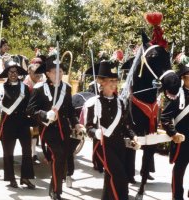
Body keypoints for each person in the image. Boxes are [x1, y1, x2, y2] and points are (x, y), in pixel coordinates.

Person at [26, 55, 84, 200]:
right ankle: (56, 192)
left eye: (61, 72)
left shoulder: (67, 88)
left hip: (64, 130)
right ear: (47, 73)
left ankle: (54, 188)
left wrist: (76, 123)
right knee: (58, 155)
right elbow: (30, 110)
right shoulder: (40, 88)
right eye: (55, 72)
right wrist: (45, 114)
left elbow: (70, 110)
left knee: (62, 158)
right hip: (48, 130)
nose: (59, 75)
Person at [86, 60, 139, 200]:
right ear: (101, 81)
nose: (114, 83)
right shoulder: (94, 102)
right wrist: (95, 132)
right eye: (111, 80)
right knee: (120, 176)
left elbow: (125, 125)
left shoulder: (120, 102)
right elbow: (89, 128)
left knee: (110, 177)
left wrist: (133, 136)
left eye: (115, 80)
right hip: (102, 146)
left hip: (118, 146)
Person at [0, 57, 35, 189]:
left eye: (15, 72)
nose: (13, 74)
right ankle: (11, 179)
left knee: (27, 151)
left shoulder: (25, 88)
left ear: (18, 73)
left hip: (23, 122)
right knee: (8, 152)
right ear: (7, 73)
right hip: (8, 123)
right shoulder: (1, 87)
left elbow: (29, 106)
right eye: (10, 72)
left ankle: (25, 177)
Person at [161, 63, 187, 200]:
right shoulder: (178, 96)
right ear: (185, 78)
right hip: (183, 140)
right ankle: (177, 197)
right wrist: (173, 133)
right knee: (179, 171)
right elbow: (165, 117)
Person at [23, 57, 45, 164]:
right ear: (29, 72)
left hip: (40, 109)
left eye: (39, 73)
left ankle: (37, 152)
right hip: (27, 110)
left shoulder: (41, 81)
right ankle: (32, 153)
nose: (37, 75)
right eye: (35, 72)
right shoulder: (26, 83)